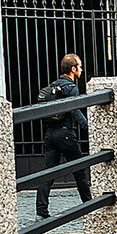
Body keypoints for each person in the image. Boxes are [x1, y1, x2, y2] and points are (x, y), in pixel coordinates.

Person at [33, 53, 91, 219]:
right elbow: (74, 109)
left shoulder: (54, 85)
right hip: (65, 133)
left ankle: (41, 211)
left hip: (50, 134)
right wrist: (87, 126)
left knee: (48, 172)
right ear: (73, 69)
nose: (81, 70)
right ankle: (89, 206)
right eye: (79, 67)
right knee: (79, 170)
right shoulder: (71, 87)